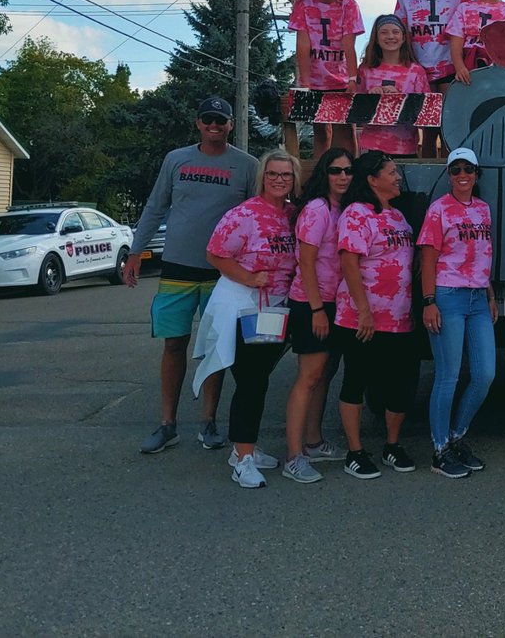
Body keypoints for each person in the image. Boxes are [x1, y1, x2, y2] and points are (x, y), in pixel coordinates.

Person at [126, 96, 257, 455]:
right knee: (174, 344)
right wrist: (135, 252)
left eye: (221, 119)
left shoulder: (247, 166)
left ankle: (208, 423)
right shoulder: (176, 159)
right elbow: (155, 206)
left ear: (231, 124)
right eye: (207, 119)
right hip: (178, 268)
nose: (214, 125)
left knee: (216, 346)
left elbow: (259, 216)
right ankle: (168, 424)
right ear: (197, 123)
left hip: (223, 273)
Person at [204, 149, 300, 489]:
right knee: (250, 380)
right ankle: (243, 459)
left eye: (286, 175)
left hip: (275, 307)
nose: (279, 179)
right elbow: (215, 252)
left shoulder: (290, 213)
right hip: (245, 305)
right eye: (273, 173)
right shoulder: (244, 214)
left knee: (259, 377)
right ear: (262, 176)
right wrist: (247, 277)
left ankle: (244, 448)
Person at [334, 151, 420, 480]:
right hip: (361, 318)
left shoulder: (398, 217)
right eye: (392, 172)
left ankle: (392, 445)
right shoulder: (357, 214)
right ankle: (355, 451)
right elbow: (349, 263)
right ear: (372, 179)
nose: (398, 177)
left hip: (399, 318)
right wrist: (364, 311)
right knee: (356, 380)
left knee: (400, 384)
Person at [418, 147, 499, 478]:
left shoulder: (483, 209)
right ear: (449, 175)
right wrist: (428, 301)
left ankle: (456, 436)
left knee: (485, 375)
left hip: (478, 298)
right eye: (455, 170)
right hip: (448, 295)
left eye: (468, 169)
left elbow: (484, 254)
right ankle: (439, 450)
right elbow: (428, 257)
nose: (462, 175)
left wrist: (490, 295)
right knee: (448, 374)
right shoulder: (438, 211)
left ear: (477, 174)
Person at [279, 148, 353, 485]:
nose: (342, 177)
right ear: (325, 173)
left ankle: (313, 441)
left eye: (348, 171)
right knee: (308, 378)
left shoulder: (342, 210)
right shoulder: (317, 210)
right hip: (312, 303)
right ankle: (293, 457)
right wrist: (316, 310)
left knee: (324, 374)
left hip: (334, 303)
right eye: (336, 171)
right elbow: (305, 263)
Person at [394, 0, 471, 157]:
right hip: (420, 69)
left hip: (450, 67)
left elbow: (468, 24)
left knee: (449, 126)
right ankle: (426, 182)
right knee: (427, 129)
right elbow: (401, 29)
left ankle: (451, 178)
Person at [288, 0, 363, 160]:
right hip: (315, 78)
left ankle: (350, 171)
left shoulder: (349, 5)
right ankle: (321, 173)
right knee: (321, 131)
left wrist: (352, 78)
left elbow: (349, 44)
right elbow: (303, 43)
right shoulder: (304, 3)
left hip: (340, 77)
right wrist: (304, 81)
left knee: (346, 130)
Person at [355, 14, 431, 157]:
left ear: (403, 38)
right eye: (384, 32)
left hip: (405, 146)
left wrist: (400, 99)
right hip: (373, 146)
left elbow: (424, 113)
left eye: (395, 32)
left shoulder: (416, 71)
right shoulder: (365, 70)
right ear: (376, 39)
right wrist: (371, 97)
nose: (390, 36)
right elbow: (357, 110)